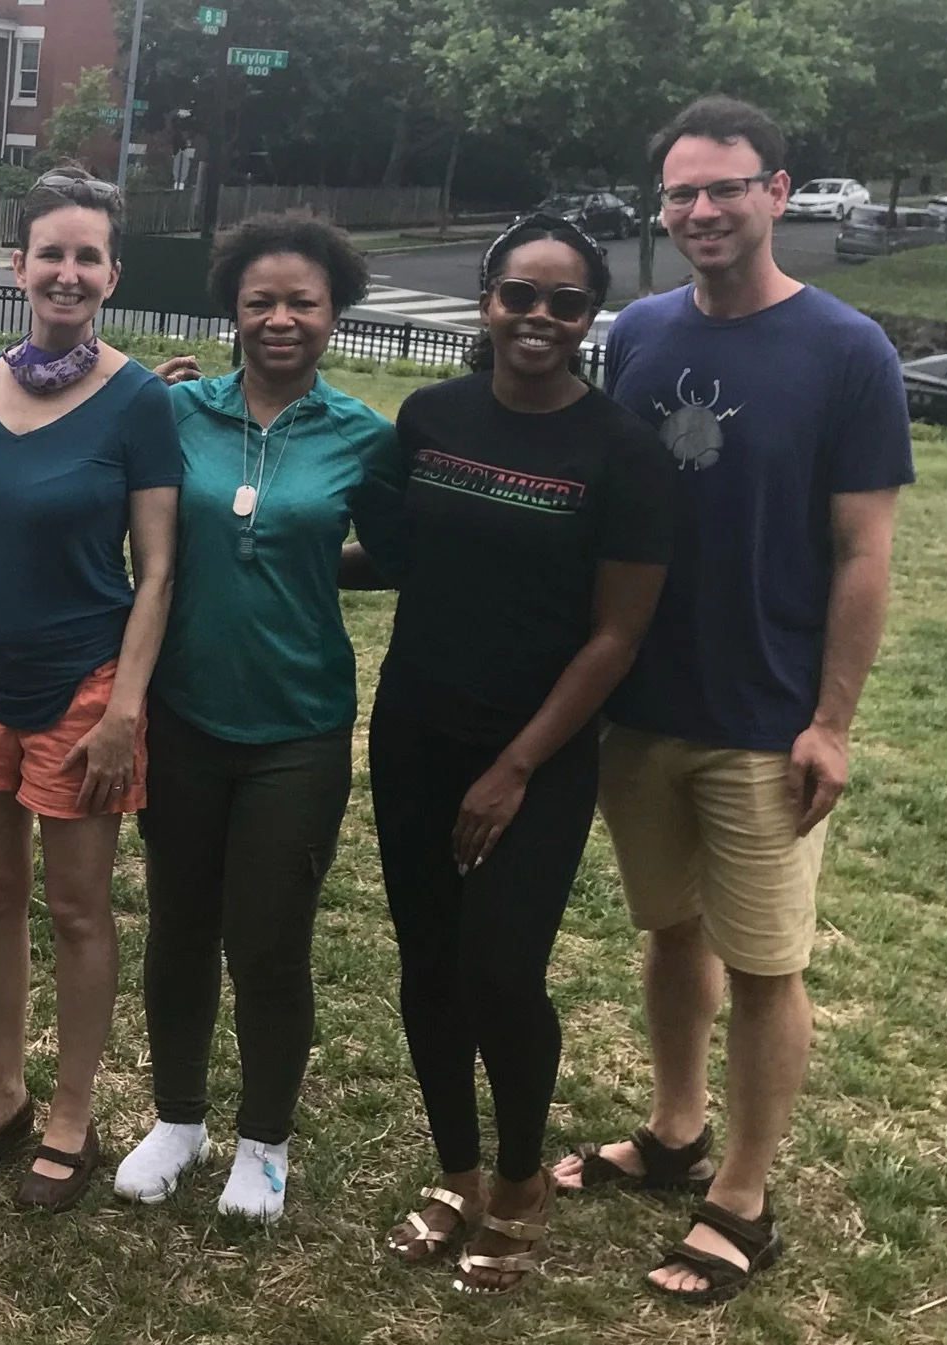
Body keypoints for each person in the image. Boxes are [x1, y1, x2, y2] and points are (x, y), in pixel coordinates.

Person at [550, 96, 913, 1303]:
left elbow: (862, 549)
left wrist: (832, 721)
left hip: (762, 716)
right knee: (668, 933)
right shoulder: (639, 330)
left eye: (723, 187)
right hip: (639, 703)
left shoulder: (846, 351)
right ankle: (671, 1132)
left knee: (763, 965)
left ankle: (742, 1199)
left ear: (777, 189)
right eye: (678, 193)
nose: (700, 211)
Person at [366, 215, 674, 1292]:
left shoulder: (621, 451)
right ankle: (454, 1170)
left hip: (533, 758)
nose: (538, 317)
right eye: (519, 295)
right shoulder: (430, 418)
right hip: (410, 733)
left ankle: (517, 1176)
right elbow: (392, 555)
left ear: (589, 319)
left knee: (499, 970)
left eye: (564, 302)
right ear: (487, 300)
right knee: (425, 966)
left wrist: (513, 768)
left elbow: (615, 636)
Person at [111, 212, 397, 1224]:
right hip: (183, 712)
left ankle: (262, 1144)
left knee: (267, 940)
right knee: (178, 926)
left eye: (301, 303)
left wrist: (314, 565)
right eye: (259, 302)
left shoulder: (364, 437)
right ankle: (177, 1119)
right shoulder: (178, 412)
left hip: (297, 725)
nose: (280, 319)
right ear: (232, 310)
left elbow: (401, 555)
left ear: (332, 312)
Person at [0, 168, 181, 1212]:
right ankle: (0, 1095)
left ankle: (71, 1110)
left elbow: (156, 568)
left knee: (75, 907)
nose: (66, 272)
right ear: (17, 265)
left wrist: (124, 707)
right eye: (50, 253)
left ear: (110, 274)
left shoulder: (137, 399)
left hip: (84, 687)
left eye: (87, 256)